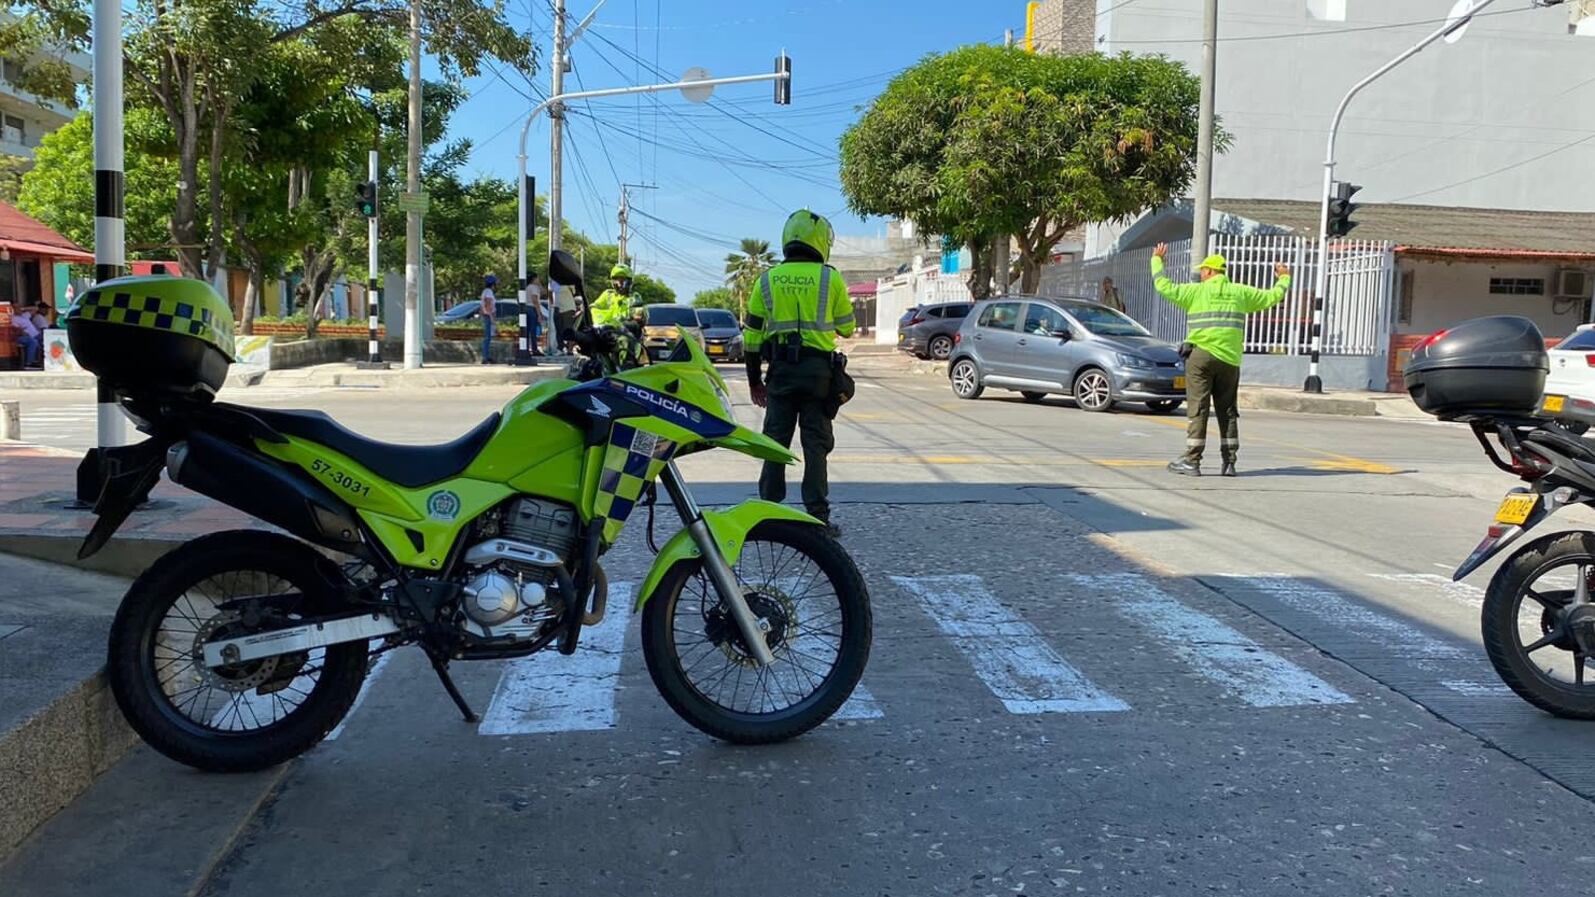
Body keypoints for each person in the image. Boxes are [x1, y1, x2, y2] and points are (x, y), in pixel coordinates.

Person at [745, 209, 855, 535]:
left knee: (775, 443)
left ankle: (768, 512)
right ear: (820, 241)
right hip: (819, 376)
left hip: (780, 374)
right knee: (815, 446)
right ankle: (818, 517)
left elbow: (751, 339)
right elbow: (848, 329)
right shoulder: (830, 278)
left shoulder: (766, 280)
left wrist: (754, 382)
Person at [1151, 243, 1290, 477]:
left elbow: (1162, 286)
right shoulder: (1241, 293)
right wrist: (1283, 278)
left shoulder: (1195, 292)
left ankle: (1192, 461)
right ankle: (1229, 462)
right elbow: (1271, 297)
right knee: (1227, 411)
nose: (1201, 274)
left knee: (1199, 408)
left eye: (1203, 270)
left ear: (1209, 272)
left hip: (1201, 356)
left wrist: (1157, 260)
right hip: (1230, 360)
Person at [591, 264, 636, 328]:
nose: (620, 285)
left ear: (630, 282)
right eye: (617, 281)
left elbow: (640, 316)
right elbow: (594, 307)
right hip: (606, 329)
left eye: (623, 281)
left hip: (626, 331)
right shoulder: (608, 294)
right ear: (612, 282)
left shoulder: (634, 297)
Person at [12, 303, 43, 368]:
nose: (19, 309)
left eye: (19, 307)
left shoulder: (24, 315)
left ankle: (42, 361)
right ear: (13, 309)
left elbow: (36, 308)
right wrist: (24, 332)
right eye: (16, 308)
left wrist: (24, 309)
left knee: (47, 338)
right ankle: (29, 363)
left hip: (37, 335)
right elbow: (18, 331)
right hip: (22, 337)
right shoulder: (14, 318)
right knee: (33, 341)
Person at [480, 274, 498, 364]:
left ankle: (486, 356)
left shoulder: (485, 291)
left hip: (486, 315)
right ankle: (485, 357)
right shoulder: (489, 292)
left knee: (488, 337)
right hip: (488, 316)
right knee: (487, 337)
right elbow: (488, 304)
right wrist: (492, 317)